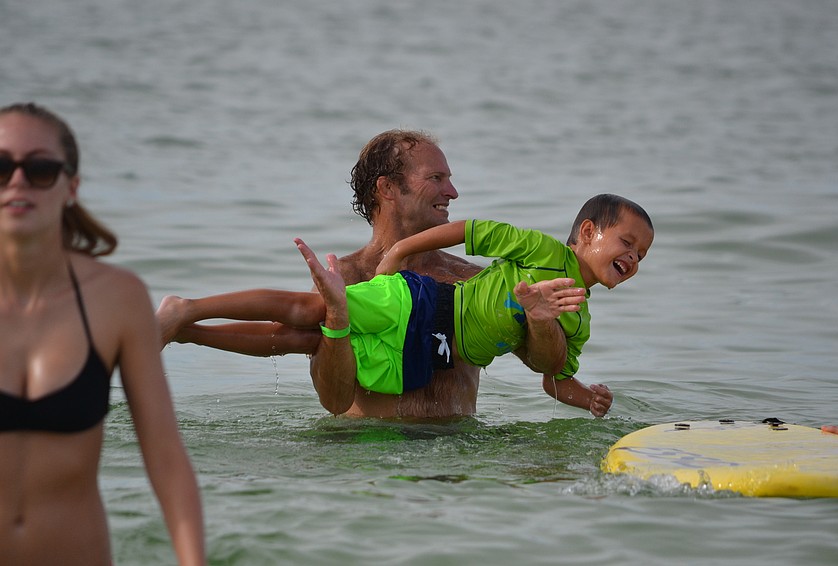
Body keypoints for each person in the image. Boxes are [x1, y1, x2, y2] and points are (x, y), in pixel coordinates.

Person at [158, 130, 613, 417]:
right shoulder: (349, 278)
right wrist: (336, 322)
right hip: (366, 456)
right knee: (304, 327)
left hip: (455, 458)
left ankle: (186, 327)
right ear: (387, 188)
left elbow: (543, 364)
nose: (452, 191)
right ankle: (187, 322)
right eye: (436, 178)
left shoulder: (472, 281)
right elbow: (335, 402)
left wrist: (541, 318)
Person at [0, 103, 205, 565]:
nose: (16, 182)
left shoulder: (116, 299)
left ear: (71, 186)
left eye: (39, 169)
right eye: (1, 167)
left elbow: (167, 459)